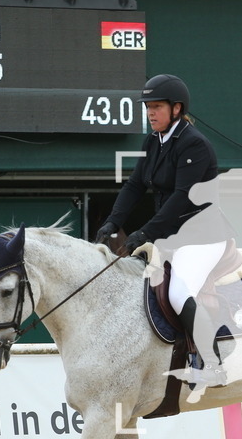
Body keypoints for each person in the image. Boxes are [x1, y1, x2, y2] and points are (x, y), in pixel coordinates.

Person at [96, 73, 234, 388]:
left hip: (203, 235)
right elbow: (134, 186)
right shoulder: (153, 142)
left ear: (176, 109)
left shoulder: (194, 145)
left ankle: (214, 366)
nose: (150, 114)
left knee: (178, 291)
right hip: (173, 235)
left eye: (156, 107)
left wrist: (144, 233)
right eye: (148, 108)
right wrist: (113, 222)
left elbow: (181, 197)